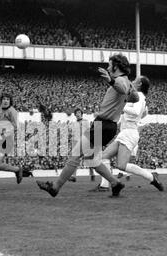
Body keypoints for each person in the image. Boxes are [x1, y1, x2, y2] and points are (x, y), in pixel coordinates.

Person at [37, 54, 138, 197]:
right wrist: (127, 92)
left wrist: (111, 80)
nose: (108, 67)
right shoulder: (128, 82)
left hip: (102, 125)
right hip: (108, 126)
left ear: (116, 66)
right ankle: (115, 183)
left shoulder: (120, 80)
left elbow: (121, 87)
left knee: (76, 154)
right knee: (92, 160)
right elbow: (136, 97)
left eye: (110, 65)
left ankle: (55, 187)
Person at [92, 76, 164, 193]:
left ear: (139, 84)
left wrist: (121, 106)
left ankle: (151, 178)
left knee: (121, 165)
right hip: (125, 132)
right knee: (104, 157)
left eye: (136, 80)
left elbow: (135, 112)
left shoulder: (139, 96)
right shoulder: (138, 97)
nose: (133, 81)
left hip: (130, 133)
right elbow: (141, 113)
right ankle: (105, 186)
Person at [69, 108, 95, 183]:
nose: (78, 114)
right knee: (75, 159)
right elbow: (73, 134)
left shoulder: (86, 122)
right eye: (76, 113)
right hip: (77, 143)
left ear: (81, 114)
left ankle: (92, 174)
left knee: (88, 159)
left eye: (79, 112)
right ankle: (74, 176)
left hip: (85, 142)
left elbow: (88, 132)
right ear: (75, 114)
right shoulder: (73, 123)